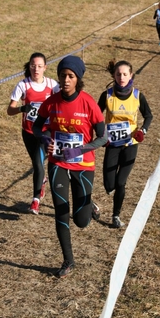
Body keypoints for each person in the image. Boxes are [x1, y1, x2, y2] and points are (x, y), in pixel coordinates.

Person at [32, 55, 107, 278]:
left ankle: (89, 205)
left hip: (84, 165)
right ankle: (68, 260)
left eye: (71, 76)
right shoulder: (51, 102)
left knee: (81, 221)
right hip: (58, 163)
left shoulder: (88, 103)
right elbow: (37, 128)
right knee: (61, 212)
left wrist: (79, 150)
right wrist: (45, 138)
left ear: (78, 79)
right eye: (63, 75)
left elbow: (103, 138)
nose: (66, 80)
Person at [97, 60, 153, 228]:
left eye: (125, 74)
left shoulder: (137, 95)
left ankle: (116, 216)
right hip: (112, 145)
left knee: (121, 182)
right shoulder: (106, 95)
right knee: (109, 185)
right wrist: (100, 133)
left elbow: (148, 116)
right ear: (113, 76)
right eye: (118, 74)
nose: (121, 77)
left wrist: (142, 131)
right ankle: (105, 196)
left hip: (131, 144)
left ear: (131, 75)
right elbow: (95, 116)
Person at [7, 53, 59, 215]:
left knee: (38, 164)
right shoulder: (23, 85)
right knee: (37, 165)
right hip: (29, 132)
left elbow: (62, 102)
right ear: (29, 66)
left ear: (45, 68)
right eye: (33, 66)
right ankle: (42, 180)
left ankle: (35, 201)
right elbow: (10, 110)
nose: (36, 69)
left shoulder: (52, 85)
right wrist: (22, 108)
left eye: (39, 66)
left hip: (46, 131)